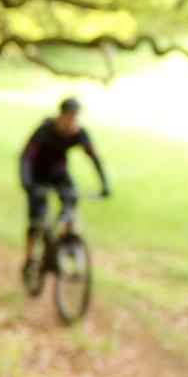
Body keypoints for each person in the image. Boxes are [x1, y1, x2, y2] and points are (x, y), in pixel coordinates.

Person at [20, 97, 109, 279]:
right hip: (37, 175)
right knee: (36, 219)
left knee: (71, 202)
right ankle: (29, 259)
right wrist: (27, 184)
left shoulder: (79, 133)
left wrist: (104, 184)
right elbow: (26, 156)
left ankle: (64, 242)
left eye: (75, 117)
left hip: (59, 173)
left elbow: (94, 157)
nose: (72, 121)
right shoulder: (45, 130)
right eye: (69, 116)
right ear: (61, 116)